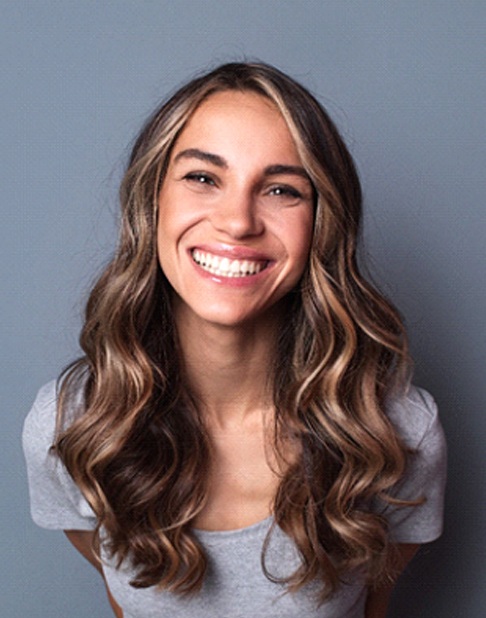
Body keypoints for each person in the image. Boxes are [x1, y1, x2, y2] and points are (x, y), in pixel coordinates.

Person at [23, 62, 446, 618]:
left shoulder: (396, 434)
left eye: (281, 189)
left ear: (323, 222)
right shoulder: (72, 425)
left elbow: (374, 606)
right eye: (203, 177)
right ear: (152, 203)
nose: (238, 221)